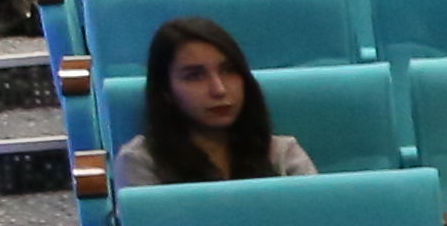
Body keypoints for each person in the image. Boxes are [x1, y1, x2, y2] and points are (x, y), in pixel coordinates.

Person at [115, 11, 318, 186]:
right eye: (194, 76)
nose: (219, 89)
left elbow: (321, 224)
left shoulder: (283, 154)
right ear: (165, 91)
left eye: (229, 71)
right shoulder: (141, 161)